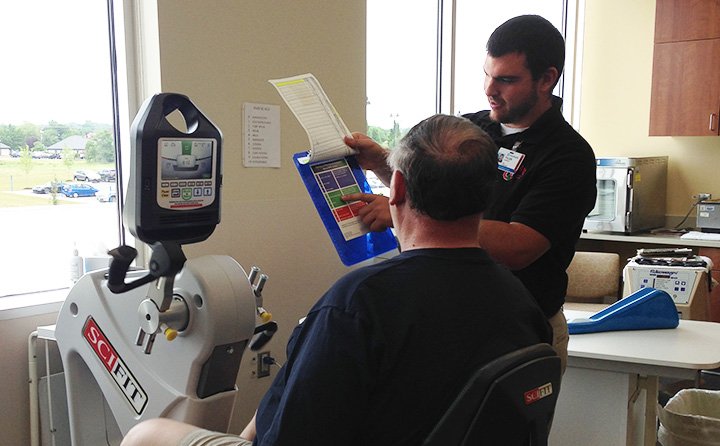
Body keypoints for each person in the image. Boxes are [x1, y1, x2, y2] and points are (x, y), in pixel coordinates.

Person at [120, 114, 552, 446]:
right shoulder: (520, 302)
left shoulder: (359, 304)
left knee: (148, 434)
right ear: (487, 196)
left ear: (396, 188)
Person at [342, 15, 597, 372]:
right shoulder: (470, 128)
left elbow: (520, 246)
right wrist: (382, 163)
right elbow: (428, 183)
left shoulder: (568, 156)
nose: (490, 89)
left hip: (523, 329)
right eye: (487, 74)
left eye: (507, 79)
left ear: (547, 79)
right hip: (451, 321)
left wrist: (410, 215)